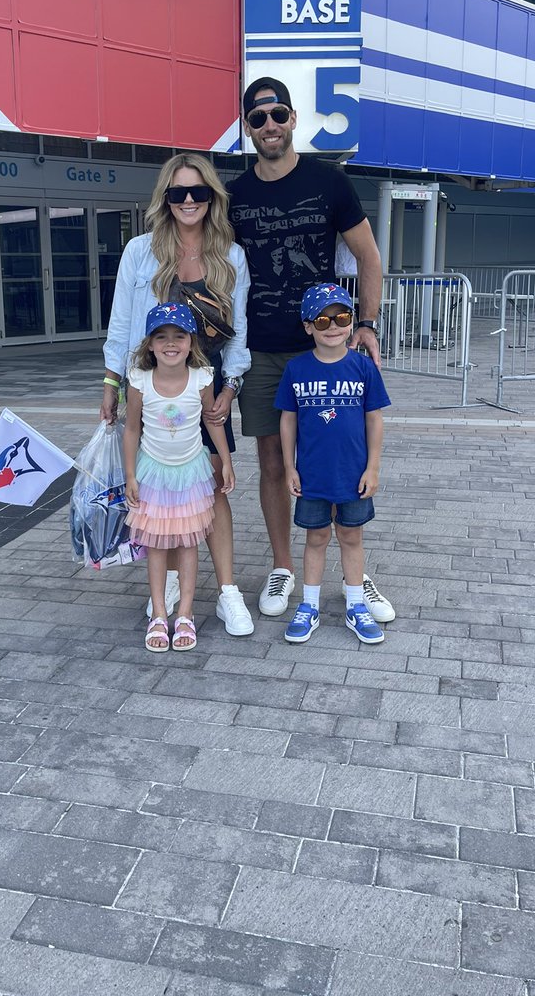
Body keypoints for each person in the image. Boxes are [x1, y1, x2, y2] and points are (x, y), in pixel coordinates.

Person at [227, 76, 390, 622]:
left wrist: (365, 322)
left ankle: (356, 575)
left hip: (326, 347)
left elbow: (369, 257)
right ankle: (283, 566)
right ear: (247, 128)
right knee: (273, 462)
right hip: (263, 351)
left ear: (293, 119)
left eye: (278, 115)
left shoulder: (329, 182)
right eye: (257, 118)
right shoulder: (234, 195)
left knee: (340, 457)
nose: (269, 126)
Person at [102, 153, 254, 636]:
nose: (189, 201)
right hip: (151, 388)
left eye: (198, 192)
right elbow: (123, 324)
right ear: (164, 200)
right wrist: (113, 383)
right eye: (178, 193)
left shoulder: (230, 255)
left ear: (212, 197)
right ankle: (167, 586)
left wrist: (230, 388)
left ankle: (228, 591)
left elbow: (241, 331)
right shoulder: (139, 252)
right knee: (156, 490)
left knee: (212, 486)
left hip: (207, 394)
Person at [276, 283, 392, 644]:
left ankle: (356, 604)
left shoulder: (362, 368)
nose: (333, 326)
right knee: (316, 537)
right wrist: (289, 467)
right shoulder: (296, 370)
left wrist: (373, 467)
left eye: (341, 317)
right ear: (308, 326)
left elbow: (374, 419)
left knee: (351, 537)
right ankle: (309, 605)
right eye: (323, 320)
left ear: (351, 321)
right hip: (312, 474)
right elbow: (288, 421)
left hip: (353, 475)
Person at [124, 303, 234, 653]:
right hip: (153, 472)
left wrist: (226, 462)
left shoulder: (202, 376)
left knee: (188, 543)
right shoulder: (140, 380)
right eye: (162, 337)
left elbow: (212, 421)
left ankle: (185, 612)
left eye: (179, 336)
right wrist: (130, 474)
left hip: (192, 472)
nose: (170, 344)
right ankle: (159, 612)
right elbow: (131, 430)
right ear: (150, 345)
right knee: (156, 544)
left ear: (191, 342)